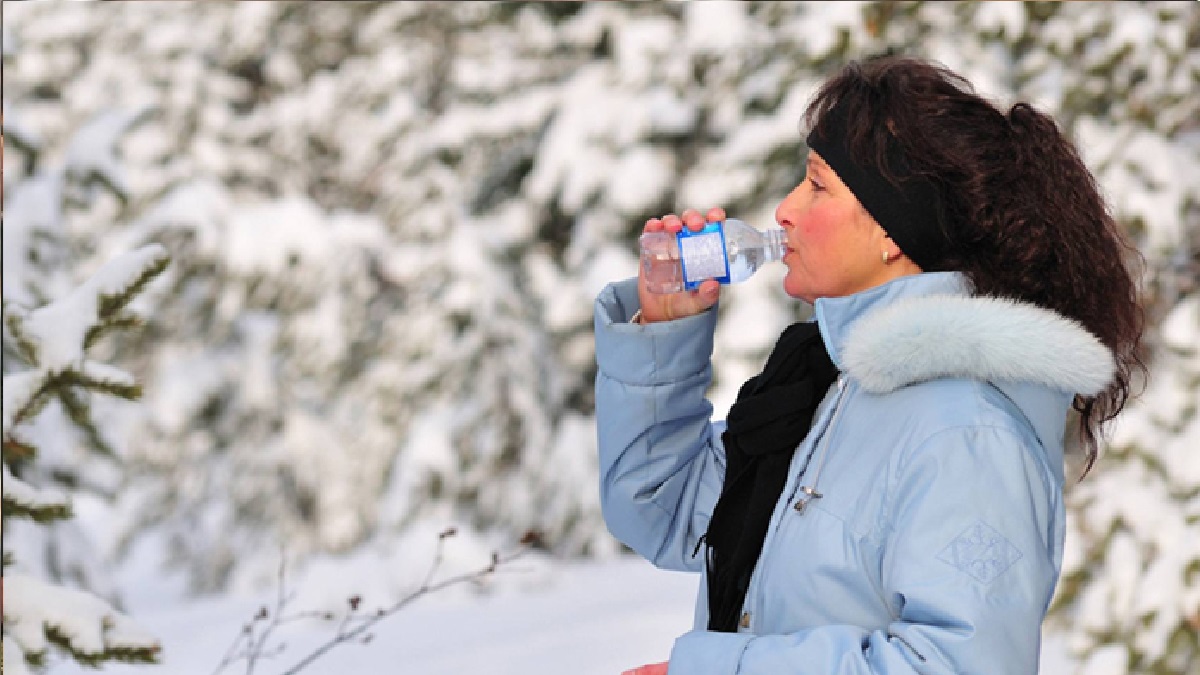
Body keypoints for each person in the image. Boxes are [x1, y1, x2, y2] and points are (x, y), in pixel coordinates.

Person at [593, 55, 1143, 675]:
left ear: (893, 231)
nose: (784, 210)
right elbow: (662, 509)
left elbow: (955, 665)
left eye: (818, 185)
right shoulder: (826, 390)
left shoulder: (967, 432)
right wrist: (666, 330)